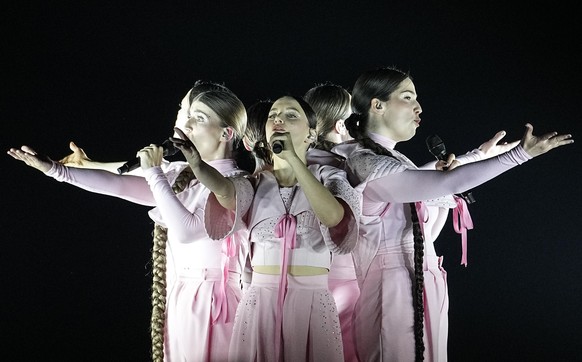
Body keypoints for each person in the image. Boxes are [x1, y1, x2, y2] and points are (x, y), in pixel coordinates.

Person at [332, 66, 573, 362]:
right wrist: (519, 155)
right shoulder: (364, 162)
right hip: (391, 290)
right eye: (407, 97)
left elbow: (426, 177)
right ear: (377, 105)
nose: (419, 107)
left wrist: (480, 155)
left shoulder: (392, 159)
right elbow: (443, 182)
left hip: (423, 280)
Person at [8, 88, 253, 362]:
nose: (188, 124)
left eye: (200, 118)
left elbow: (186, 230)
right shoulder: (178, 173)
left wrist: (153, 172)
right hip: (179, 296)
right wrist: (55, 170)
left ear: (226, 133)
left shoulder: (239, 183)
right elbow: (118, 182)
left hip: (216, 304)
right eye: (188, 116)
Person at [203, 95, 361, 361]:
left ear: (311, 134)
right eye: (273, 115)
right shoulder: (254, 182)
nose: (279, 119)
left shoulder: (329, 176)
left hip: (312, 302)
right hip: (261, 302)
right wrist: (197, 164)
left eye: (291, 115)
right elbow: (226, 193)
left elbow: (334, 217)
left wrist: (293, 159)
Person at [304, 82, 360, 362]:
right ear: (339, 125)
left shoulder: (294, 168)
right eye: (351, 122)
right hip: (347, 278)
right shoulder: (346, 169)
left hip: (302, 283)